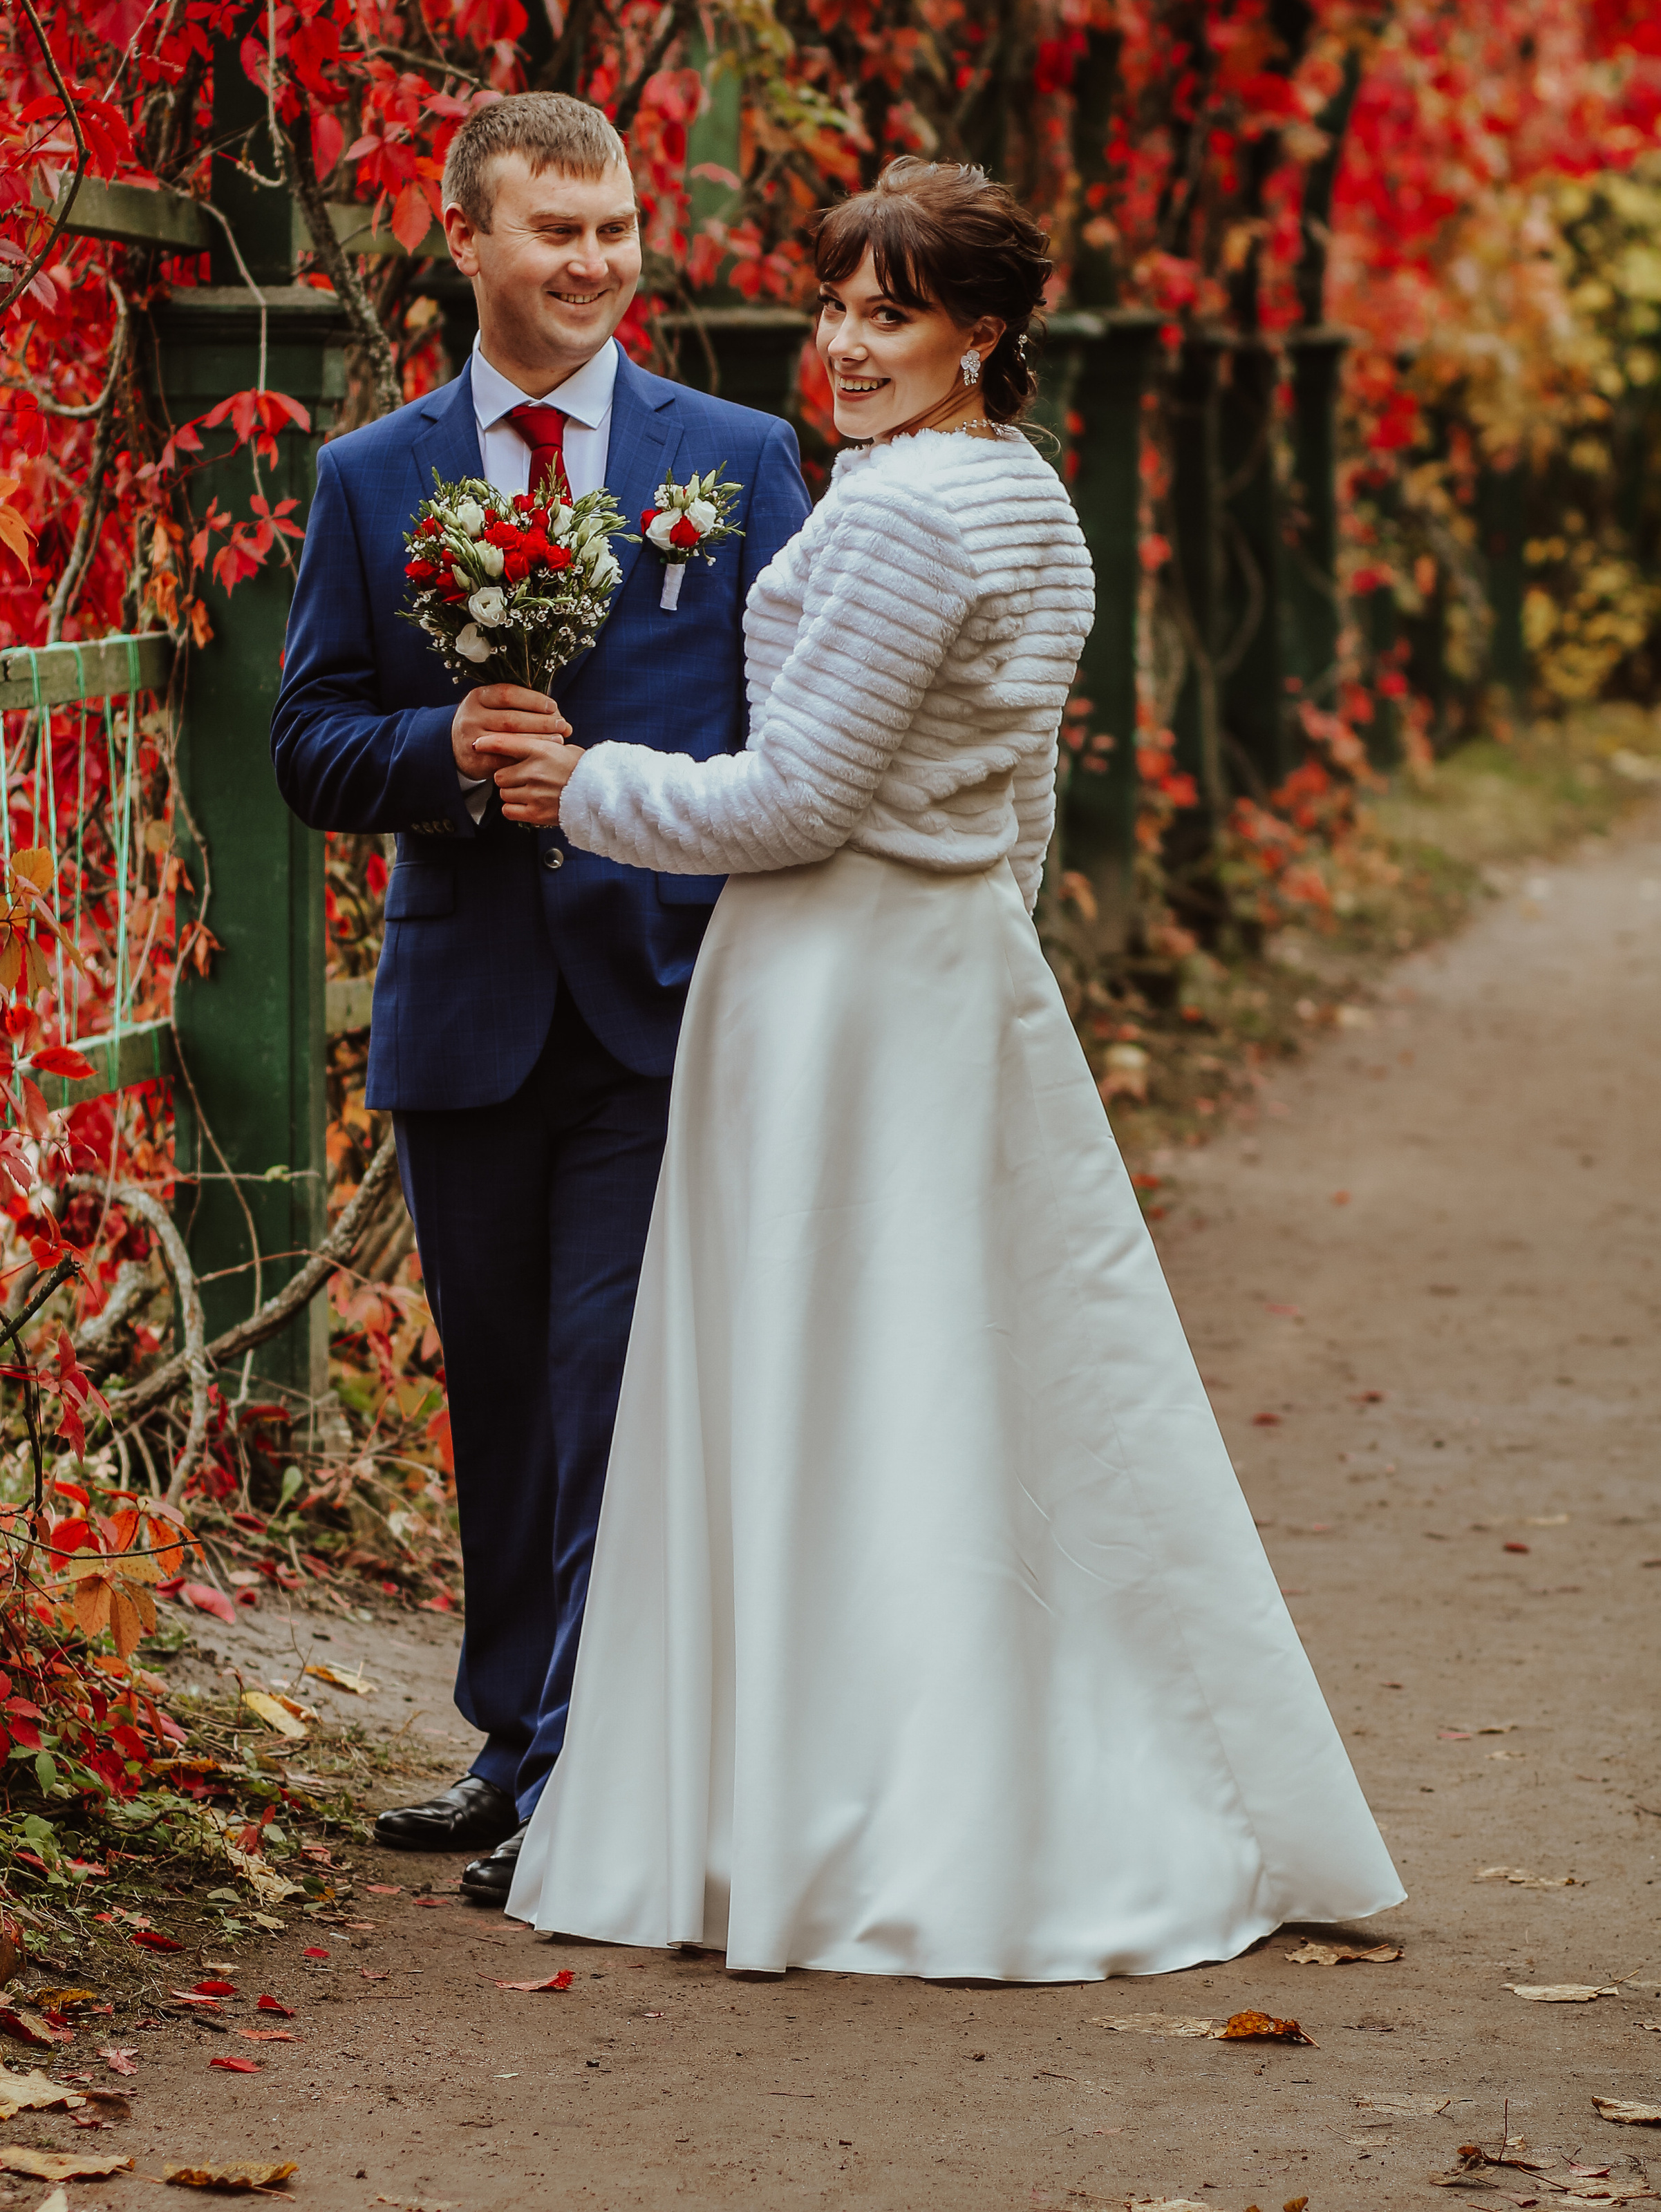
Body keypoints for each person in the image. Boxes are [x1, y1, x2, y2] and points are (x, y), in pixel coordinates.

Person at [485, 157, 1404, 1981]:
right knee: (961, 1389)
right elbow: (1027, 796)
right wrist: (979, 931)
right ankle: (981, 1780)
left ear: (984, 332)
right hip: (943, 969)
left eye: (888, 314)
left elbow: (799, 797)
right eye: (834, 305)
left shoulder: (910, 516)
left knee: (845, 1386)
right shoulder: (1027, 496)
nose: (844, 344)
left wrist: (577, 786)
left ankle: (845, 1817)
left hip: (840, 985)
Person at [271, 93, 811, 1908]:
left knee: (609, 1383)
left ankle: (595, 1773)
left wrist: (649, 795)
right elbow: (308, 741)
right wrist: (443, 747)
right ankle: (514, 1742)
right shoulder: (373, 477)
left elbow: (798, 728)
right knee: (500, 1388)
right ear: (469, 239)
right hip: (469, 1011)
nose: (593, 262)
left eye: (615, 228)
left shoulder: (734, 456)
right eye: (555, 231)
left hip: (671, 1001)